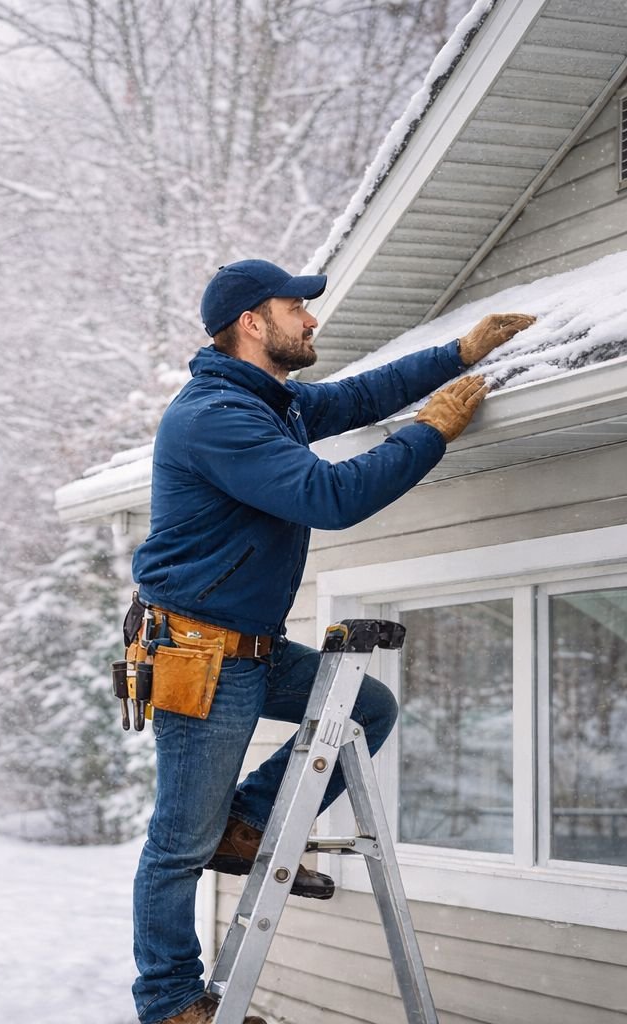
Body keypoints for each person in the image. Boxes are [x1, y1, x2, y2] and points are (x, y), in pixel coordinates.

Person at [127, 259, 535, 1024]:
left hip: (250, 647)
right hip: (199, 655)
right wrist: (430, 432)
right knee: (178, 843)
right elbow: (330, 496)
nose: (311, 320)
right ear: (253, 322)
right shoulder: (216, 417)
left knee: (366, 708)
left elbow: (352, 398)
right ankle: (171, 1003)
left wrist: (458, 355)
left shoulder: (265, 401)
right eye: (296, 308)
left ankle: (245, 822)